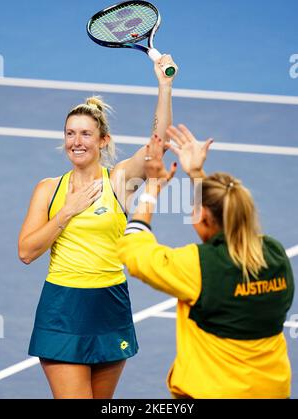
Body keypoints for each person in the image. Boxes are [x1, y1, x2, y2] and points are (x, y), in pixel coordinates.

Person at [18, 55, 177, 399]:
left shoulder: (119, 181)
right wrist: (65, 214)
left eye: (86, 134)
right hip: (62, 307)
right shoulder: (48, 189)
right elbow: (27, 252)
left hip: (109, 304)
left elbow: (157, 145)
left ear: (103, 140)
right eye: (70, 133)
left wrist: (164, 86)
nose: (77, 141)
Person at [117, 125, 295, 399]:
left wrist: (152, 189)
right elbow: (227, 225)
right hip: (272, 390)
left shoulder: (197, 267)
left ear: (201, 218)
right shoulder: (275, 254)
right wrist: (198, 175)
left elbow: (134, 250)